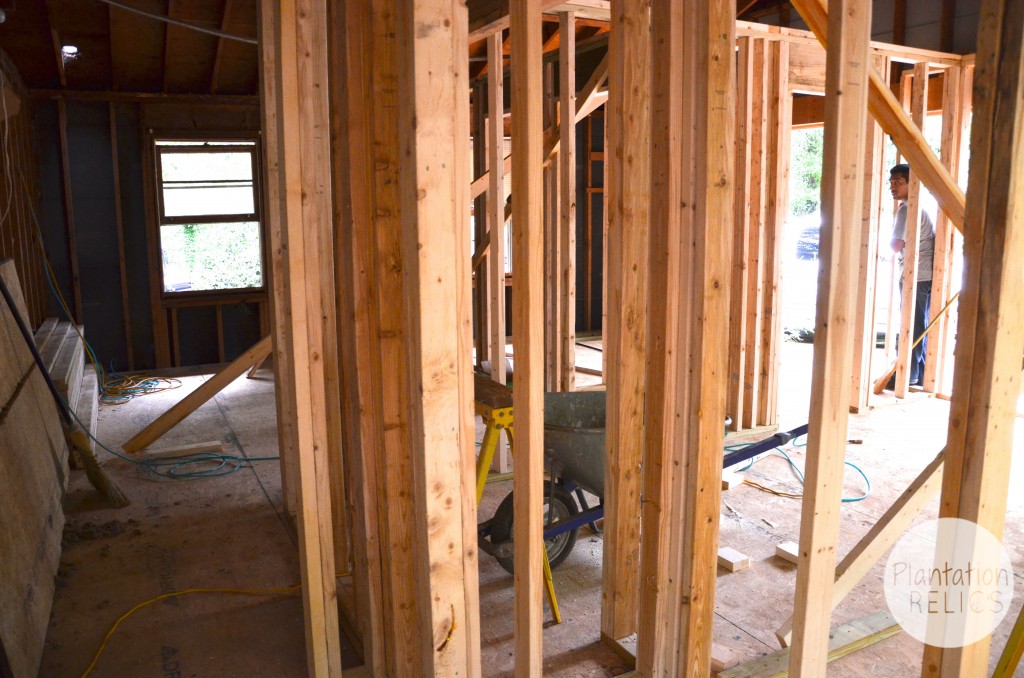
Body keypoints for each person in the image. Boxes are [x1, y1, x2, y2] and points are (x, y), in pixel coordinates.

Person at [887, 163, 934, 388]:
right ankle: (919, 374)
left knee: (911, 325)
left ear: (910, 183)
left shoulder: (907, 209)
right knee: (919, 324)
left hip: (916, 275)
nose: (892, 187)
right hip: (924, 276)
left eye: (898, 182)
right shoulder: (920, 205)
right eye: (891, 183)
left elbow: (896, 245)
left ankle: (907, 375)